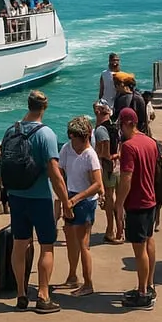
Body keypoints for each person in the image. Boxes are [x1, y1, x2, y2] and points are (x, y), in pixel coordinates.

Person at [5, 90, 74, 314]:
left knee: (19, 244)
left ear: (28, 105)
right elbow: (54, 173)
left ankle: (21, 294)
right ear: (44, 107)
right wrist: (66, 202)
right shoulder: (46, 134)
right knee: (47, 246)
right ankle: (43, 295)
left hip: (16, 196)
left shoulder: (11, 130)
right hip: (40, 198)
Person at [55, 116, 103, 296]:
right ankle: (72, 276)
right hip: (70, 196)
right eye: (80, 137)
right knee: (70, 241)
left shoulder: (90, 155)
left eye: (85, 137)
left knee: (83, 244)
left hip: (84, 201)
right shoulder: (67, 149)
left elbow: (97, 184)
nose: (85, 141)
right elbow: (59, 173)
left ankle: (88, 283)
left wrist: (75, 200)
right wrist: (61, 199)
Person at [116, 107, 159, 308]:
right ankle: (148, 284)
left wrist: (119, 204)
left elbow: (126, 178)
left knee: (139, 249)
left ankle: (142, 293)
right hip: (151, 200)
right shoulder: (151, 143)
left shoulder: (129, 147)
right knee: (149, 241)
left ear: (126, 124)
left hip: (136, 203)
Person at [93, 100, 122, 243]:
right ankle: (121, 229)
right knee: (119, 199)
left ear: (98, 112)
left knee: (109, 199)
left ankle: (110, 230)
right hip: (118, 167)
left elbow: (104, 151)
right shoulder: (115, 127)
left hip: (107, 168)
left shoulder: (100, 130)